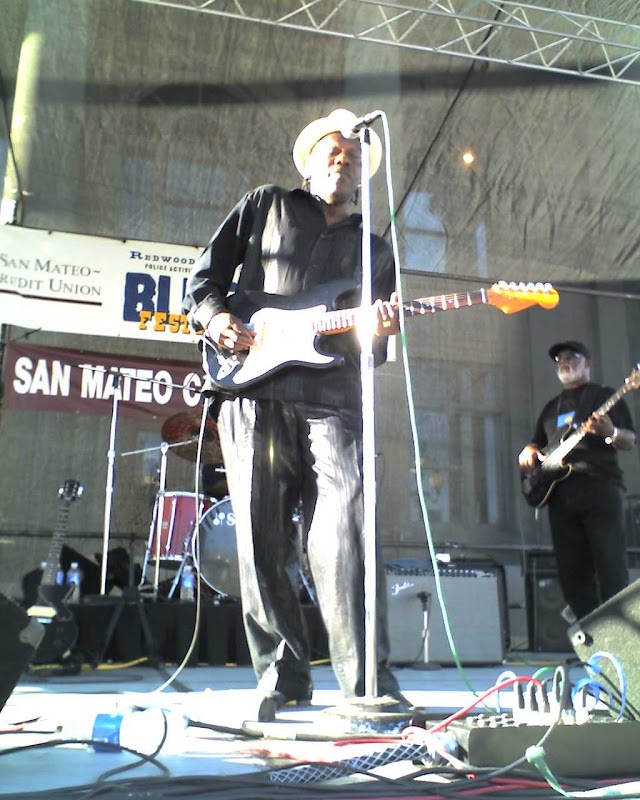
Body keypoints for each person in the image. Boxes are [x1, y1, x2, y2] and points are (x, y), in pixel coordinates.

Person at [182, 109, 407, 721]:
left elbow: (370, 352)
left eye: (354, 157)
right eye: (333, 151)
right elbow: (203, 278)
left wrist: (379, 329)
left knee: (348, 523)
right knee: (260, 536)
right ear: (309, 161)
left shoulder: (374, 248)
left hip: (333, 396)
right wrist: (215, 318)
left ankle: (367, 681)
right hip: (251, 390)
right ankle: (281, 675)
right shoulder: (266, 205)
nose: (344, 160)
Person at [518, 340, 636, 622]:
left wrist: (610, 432)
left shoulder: (604, 396)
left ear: (587, 364)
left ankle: (621, 635)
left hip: (599, 487)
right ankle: (591, 634)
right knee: (572, 574)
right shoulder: (552, 408)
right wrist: (528, 450)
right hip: (560, 496)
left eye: (572, 356)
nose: (564, 362)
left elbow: (629, 440)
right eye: (559, 359)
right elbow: (537, 444)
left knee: (610, 566)